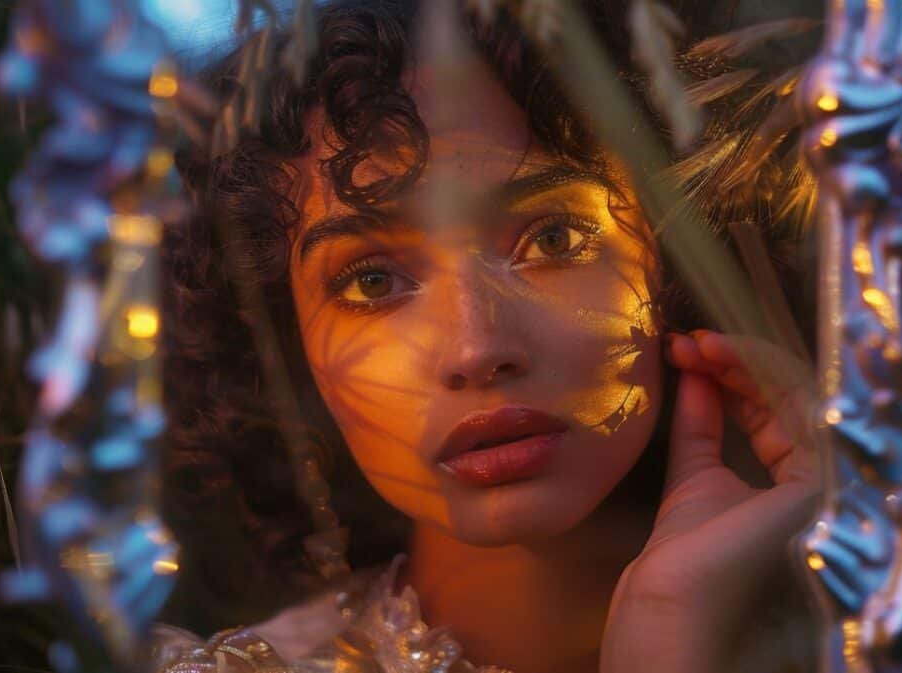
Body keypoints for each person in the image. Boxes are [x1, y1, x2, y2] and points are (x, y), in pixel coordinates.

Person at [154, 1, 820, 672]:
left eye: (553, 239)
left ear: (672, 258)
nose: (477, 347)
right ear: (287, 342)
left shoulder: (888, 629)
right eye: (374, 281)